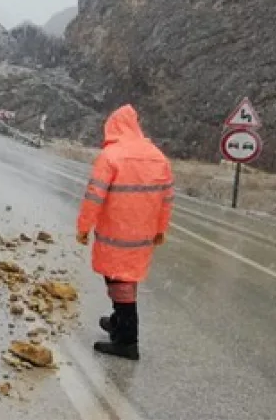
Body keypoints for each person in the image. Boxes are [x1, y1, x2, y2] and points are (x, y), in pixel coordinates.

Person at [75, 104, 174, 360]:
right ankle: (119, 322)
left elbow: (94, 196)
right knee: (126, 278)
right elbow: (167, 199)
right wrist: (161, 229)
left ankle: (127, 341)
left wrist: (84, 227)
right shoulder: (157, 156)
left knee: (119, 282)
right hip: (142, 237)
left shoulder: (111, 156)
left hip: (116, 233)